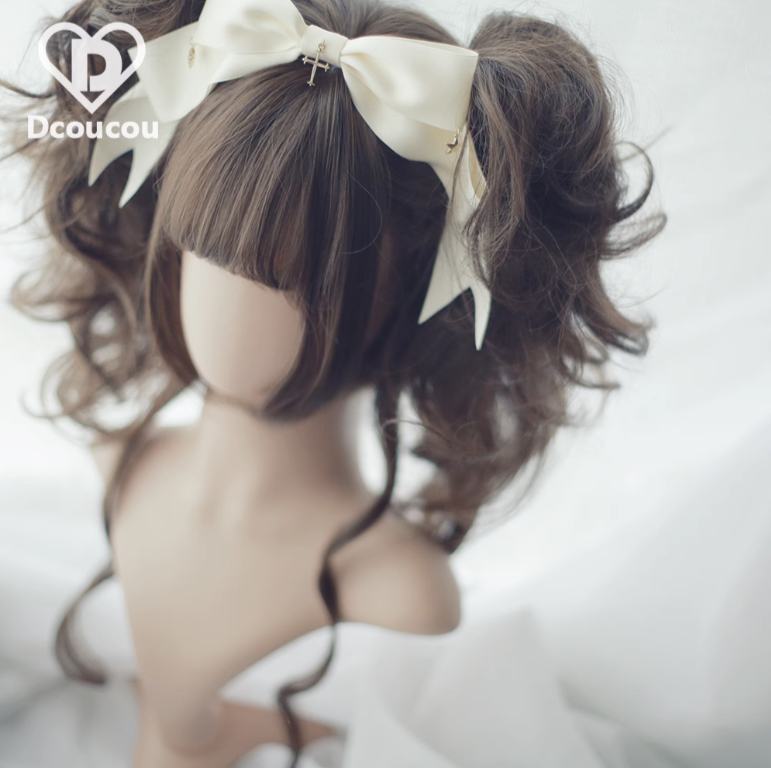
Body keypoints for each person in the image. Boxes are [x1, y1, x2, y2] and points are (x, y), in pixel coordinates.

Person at [1, 0, 664, 765]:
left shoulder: (398, 596)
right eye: (202, 242)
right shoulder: (126, 464)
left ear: (409, 287)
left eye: (282, 275)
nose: (224, 297)